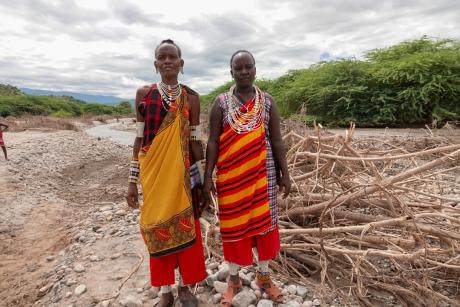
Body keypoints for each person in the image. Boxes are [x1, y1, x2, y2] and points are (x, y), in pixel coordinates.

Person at [204, 50, 291, 306]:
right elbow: (212, 142)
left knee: (264, 226)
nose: (243, 72)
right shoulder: (220, 103)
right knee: (233, 228)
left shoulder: (267, 102)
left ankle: (263, 276)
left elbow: (276, 140)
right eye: (238, 68)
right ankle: (233, 279)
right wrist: (207, 177)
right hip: (231, 177)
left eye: (248, 67)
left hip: (263, 175)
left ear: (255, 69)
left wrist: (285, 173)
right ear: (231, 72)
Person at [126, 39, 207, 307]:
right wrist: (131, 182)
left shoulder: (192, 97)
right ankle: (164, 291)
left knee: (188, 231)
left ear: (181, 64)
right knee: (154, 229)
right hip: (154, 177)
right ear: (155, 64)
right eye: (162, 57)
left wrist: (205, 180)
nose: (168, 61)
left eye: (173, 57)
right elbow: (139, 141)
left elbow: (195, 142)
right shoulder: (144, 94)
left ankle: (184, 287)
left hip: (183, 178)